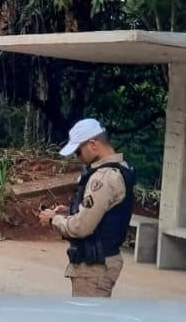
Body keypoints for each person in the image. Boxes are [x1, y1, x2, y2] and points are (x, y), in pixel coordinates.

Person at [39, 118, 135, 297]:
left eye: (78, 152)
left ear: (93, 144)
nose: (78, 158)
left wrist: (54, 219)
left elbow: (81, 227)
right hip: (100, 262)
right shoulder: (121, 169)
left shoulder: (102, 178)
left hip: (94, 267)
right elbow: (103, 213)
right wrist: (69, 212)